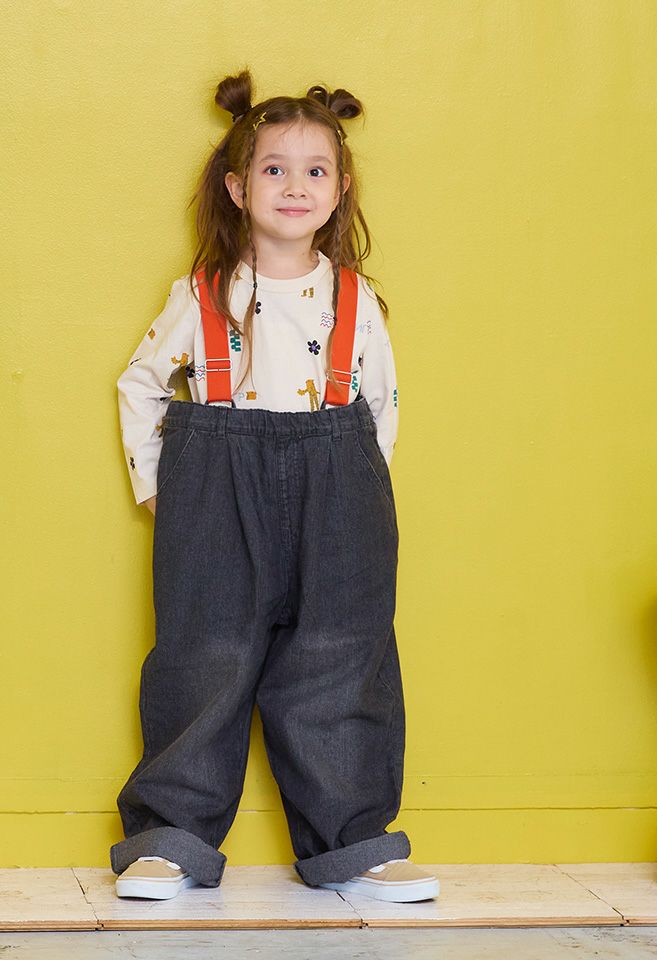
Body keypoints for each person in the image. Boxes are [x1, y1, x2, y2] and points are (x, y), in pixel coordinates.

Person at [110, 69, 439, 905]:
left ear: (342, 187)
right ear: (237, 186)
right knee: (204, 654)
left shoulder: (357, 301)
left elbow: (380, 406)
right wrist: (159, 488)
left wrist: (357, 490)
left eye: (315, 170)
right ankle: (171, 839)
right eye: (274, 169)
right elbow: (141, 384)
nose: (296, 186)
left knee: (343, 653)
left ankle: (353, 843)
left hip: (341, 490)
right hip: (215, 492)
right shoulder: (202, 293)